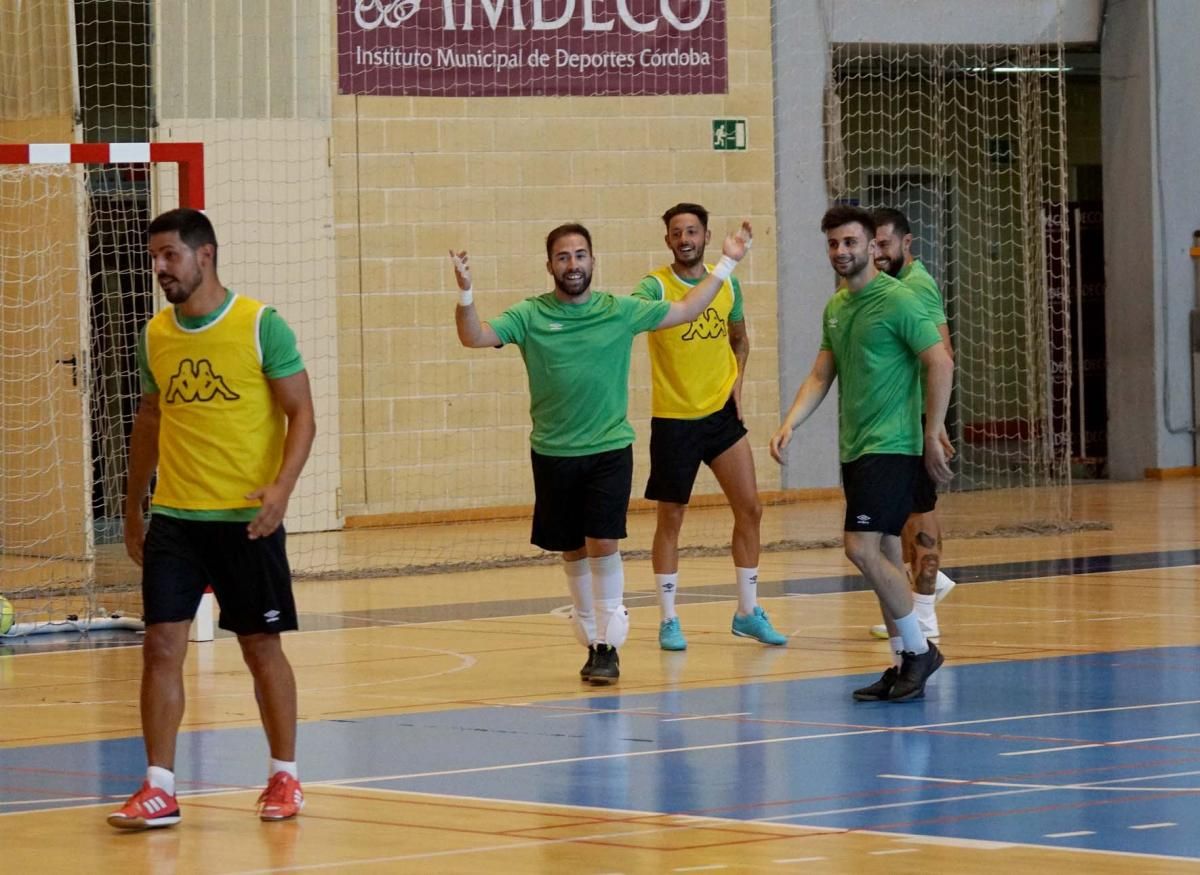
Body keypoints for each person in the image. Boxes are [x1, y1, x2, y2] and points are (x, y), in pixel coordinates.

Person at [450, 220, 752, 684]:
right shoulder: (530, 315)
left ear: (593, 260)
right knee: (571, 550)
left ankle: (607, 646)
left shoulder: (620, 310)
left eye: (580, 255)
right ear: (549, 265)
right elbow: (474, 336)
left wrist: (728, 260)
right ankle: (591, 637)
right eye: (563, 257)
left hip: (609, 449)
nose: (573, 265)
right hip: (552, 453)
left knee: (603, 543)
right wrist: (467, 293)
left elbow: (689, 308)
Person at [109, 208, 315, 829]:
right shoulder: (156, 335)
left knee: (259, 647)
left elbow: (301, 414)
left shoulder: (260, 325)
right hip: (176, 515)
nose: (161, 269)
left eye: (170, 255)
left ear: (206, 255)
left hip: (245, 516)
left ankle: (285, 777)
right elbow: (150, 420)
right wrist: (133, 504)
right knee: (160, 646)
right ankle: (159, 787)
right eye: (155, 258)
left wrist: (282, 489)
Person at [769, 205, 953, 702]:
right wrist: (791, 422)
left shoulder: (899, 300)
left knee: (860, 548)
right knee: (887, 551)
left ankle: (920, 651)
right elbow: (821, 373)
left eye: (850, 242)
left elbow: (939, 360)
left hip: (891, 446)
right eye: (833, 243)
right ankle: (900, 661)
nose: (841, 252)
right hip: (856, 447)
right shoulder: (837, 307)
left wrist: (933, 430)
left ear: (872, 246)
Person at [632, 203, 785, 651]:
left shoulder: (728, 285)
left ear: (704, 235)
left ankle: (747, 611)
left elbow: (740, 340)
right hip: (674, 419)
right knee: (671, 519)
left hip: (720, 417)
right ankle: (668, 619)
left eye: (692, 231)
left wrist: (738, 383)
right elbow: (649, 316)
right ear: (667, 240)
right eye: (677, 232)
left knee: (751, 508)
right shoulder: (653, 286)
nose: (685, 239)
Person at [868, 207, 957, 641]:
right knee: (899, 514)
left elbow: (943, 354)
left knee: (920, 513)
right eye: (874, 245)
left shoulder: (915, 287)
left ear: (907, 243)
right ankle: (927, 590)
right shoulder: (888, 288)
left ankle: (924, 612)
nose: (878, 253)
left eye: (885, 244)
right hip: (893, 420)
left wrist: (934, 425)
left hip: (917, 416)